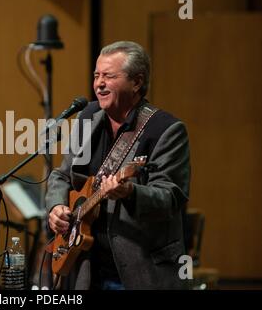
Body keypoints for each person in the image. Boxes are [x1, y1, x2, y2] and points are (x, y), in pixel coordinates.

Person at [46, 41, 190, 289]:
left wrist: (131, 192)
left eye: (109, 76)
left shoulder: (166, 130)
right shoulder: (88, 117)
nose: (99, 83)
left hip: (140, 270)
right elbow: (61, 175)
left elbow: (171, 197)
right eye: (96, 75)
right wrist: (57, 206)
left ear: (136, 82)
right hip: (87, 271)